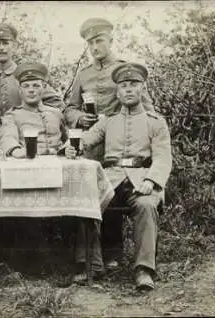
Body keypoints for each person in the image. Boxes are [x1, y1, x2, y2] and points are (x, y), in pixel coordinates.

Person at [67, 62, 172, 290]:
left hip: (142, 179)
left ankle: (144, 270)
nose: (128, 89)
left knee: (146, 205)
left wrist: (150, 181)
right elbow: (87, 140)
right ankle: (90, 265)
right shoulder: (108, 120)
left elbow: (163, 158)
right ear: (118, 91)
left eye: (133, 84)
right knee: (87, 200)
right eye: (123, 85)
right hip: (111, 178)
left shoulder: (156, 122)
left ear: (142, 89)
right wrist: (72, 146)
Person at [64, 18, 155, 268]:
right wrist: (82, 117)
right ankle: (93, 259)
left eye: (99, 40)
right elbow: (69, 109)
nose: (94, 47)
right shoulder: (83, 74)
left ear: (111, 40)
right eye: (90, 43)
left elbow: (147, 109)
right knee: (98, 194)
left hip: (122, 143)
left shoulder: (124, 70)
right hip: (92, 145)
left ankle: (113, 254)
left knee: (119, 190)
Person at [0, 23, 65, 119]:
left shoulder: (27, 76)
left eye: (5, 43)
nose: (1, 48)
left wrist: (37, 114)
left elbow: (58, 104)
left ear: (14, 46)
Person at [0, 63, 71, 158]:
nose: (31, 90)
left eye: (36, 85)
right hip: (29, 162)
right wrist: (16, 151)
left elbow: (69, 137)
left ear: (44, 88)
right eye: (26, 86)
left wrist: (67, 149)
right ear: (20, 90)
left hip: (58, 162)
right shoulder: (12, 116)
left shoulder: (56, 113)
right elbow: (7, 138)